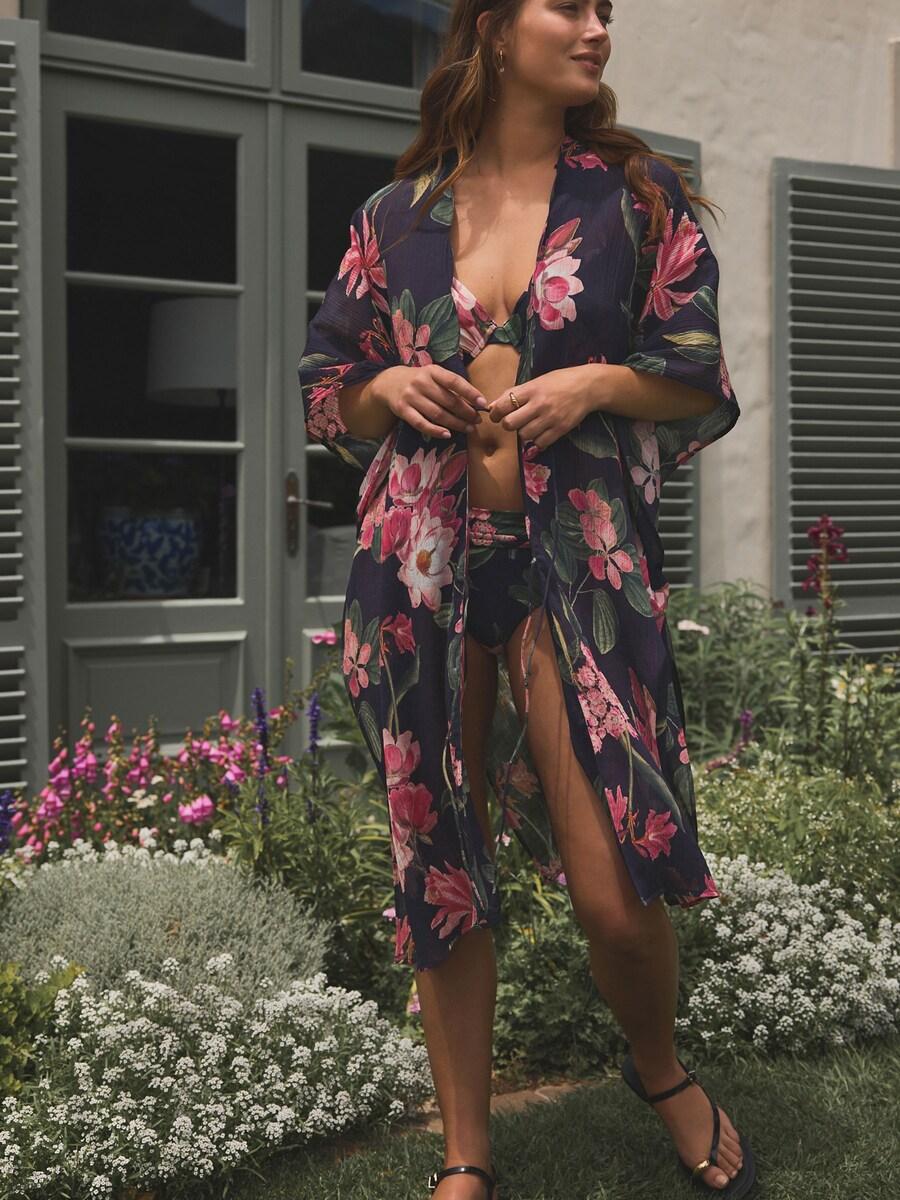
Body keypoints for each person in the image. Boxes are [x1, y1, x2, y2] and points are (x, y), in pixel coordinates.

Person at [298, 3, 755, 1198]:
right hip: (419, 570)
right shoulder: (396, 216)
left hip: (576, 572)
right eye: (572, 5)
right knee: (439, 864)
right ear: (496, 30)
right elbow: (327, 385)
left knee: (614, 887)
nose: (598, 28)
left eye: (608, 10)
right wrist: (388, 388)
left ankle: (660, 1069)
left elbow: (696, 374)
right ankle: (467, 1153)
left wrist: (596, 382)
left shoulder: (635, 199)